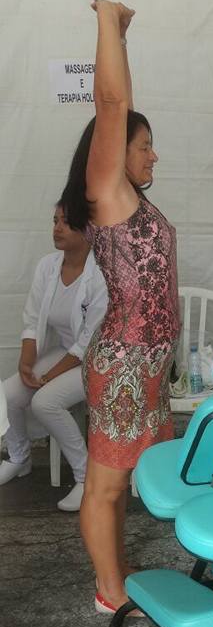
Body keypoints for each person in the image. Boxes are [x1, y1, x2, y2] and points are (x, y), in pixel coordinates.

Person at [60, 0, 179, 615]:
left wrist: (124, 39)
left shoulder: (130, 196)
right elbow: (112, 104)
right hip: (125, 362)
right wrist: (107, 22)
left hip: (146, 364)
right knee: (105, 485)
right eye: (144, 146)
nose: (153, 155)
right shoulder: (106, 190)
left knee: (123, 480)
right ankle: (109, 592)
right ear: (113, 154)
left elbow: (120, 109)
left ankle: (117, 569)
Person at [0, 204, 107, 510]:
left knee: (45, 402)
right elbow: (32, 318)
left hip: (100, 359)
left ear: (88, 230)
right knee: (8, 394)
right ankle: (19, 457)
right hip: (67, 351)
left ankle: (87, 478)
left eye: (66, 222)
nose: (57, 228)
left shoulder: (101, 274)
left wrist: (48, 376)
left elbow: (87, 342)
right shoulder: (48, 266)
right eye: (55, 221)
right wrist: (26, 363)